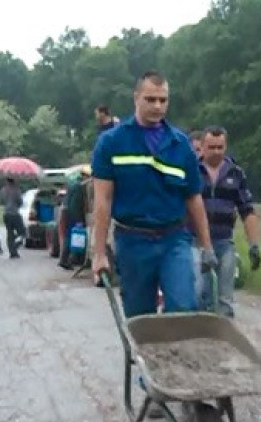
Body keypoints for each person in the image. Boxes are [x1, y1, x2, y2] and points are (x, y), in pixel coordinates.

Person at [90, 69, 217, 318]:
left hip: (174, 239)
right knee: (140, 317)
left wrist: (207, 247)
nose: (157, 106)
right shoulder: (111, 143)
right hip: (132, 241)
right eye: (150, 99)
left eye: (163, 100)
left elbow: (194, 199)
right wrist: (99, 254)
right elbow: (102, 200)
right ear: (136, 98)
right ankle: (145, 357)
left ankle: (178, 357)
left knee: (183, 308)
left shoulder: (181, 146)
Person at [194, 126, 261, 317]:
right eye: (211, 147)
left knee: (225, 298)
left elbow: (247, 210)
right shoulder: (192, 171)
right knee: (197, 292)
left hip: (224, 242)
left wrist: (254, 244)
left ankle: (223, 336)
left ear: (226, 147)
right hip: (194, 241)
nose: (216, 152)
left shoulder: (236, 174)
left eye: (220, 147)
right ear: (203, 147)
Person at [0, 178, 25, 259]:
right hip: (15, 213)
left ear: (7, 181)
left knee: (10, 232)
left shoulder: (3, 190)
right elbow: (20, 202)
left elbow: (1, 202)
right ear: (14, 181)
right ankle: (15, 245)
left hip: (6, 214)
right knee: (22, 232)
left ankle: (12, 252)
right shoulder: (17, 190)